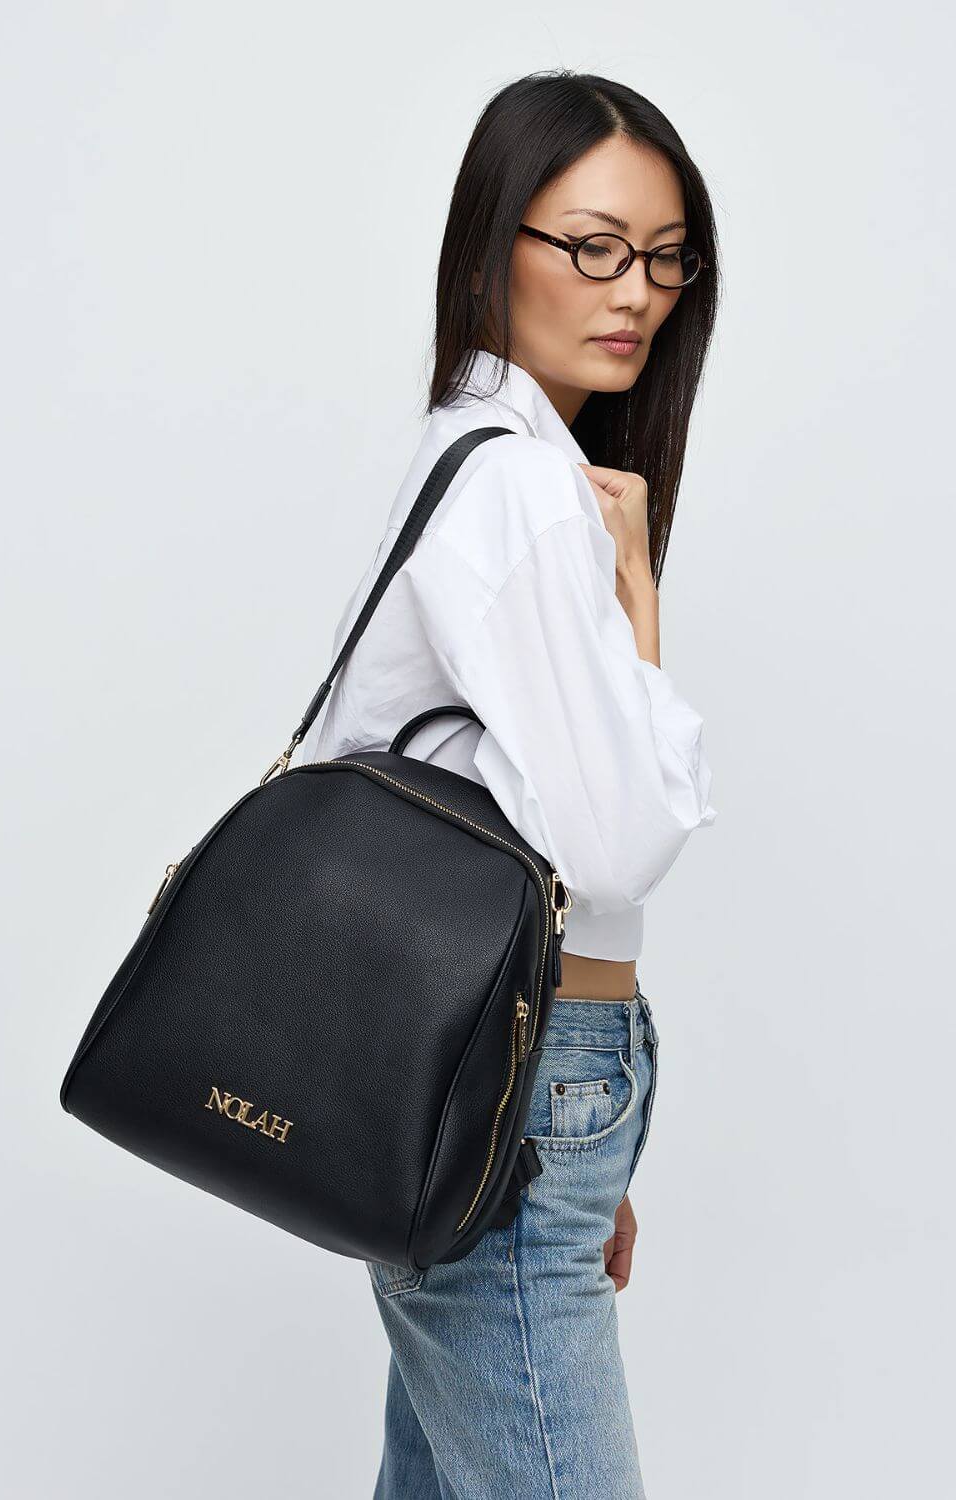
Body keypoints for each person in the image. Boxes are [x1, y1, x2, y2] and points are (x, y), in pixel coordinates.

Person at [300, 69, 719, 1500]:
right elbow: (612, 845)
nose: (636, 293)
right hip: (517, 1078)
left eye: (665, 257)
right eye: (592, 246)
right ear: (494, 244)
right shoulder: (524, 488)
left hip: (521, 1075)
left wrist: (578, 1148)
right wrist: (639, 600)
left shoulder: (477, 460)